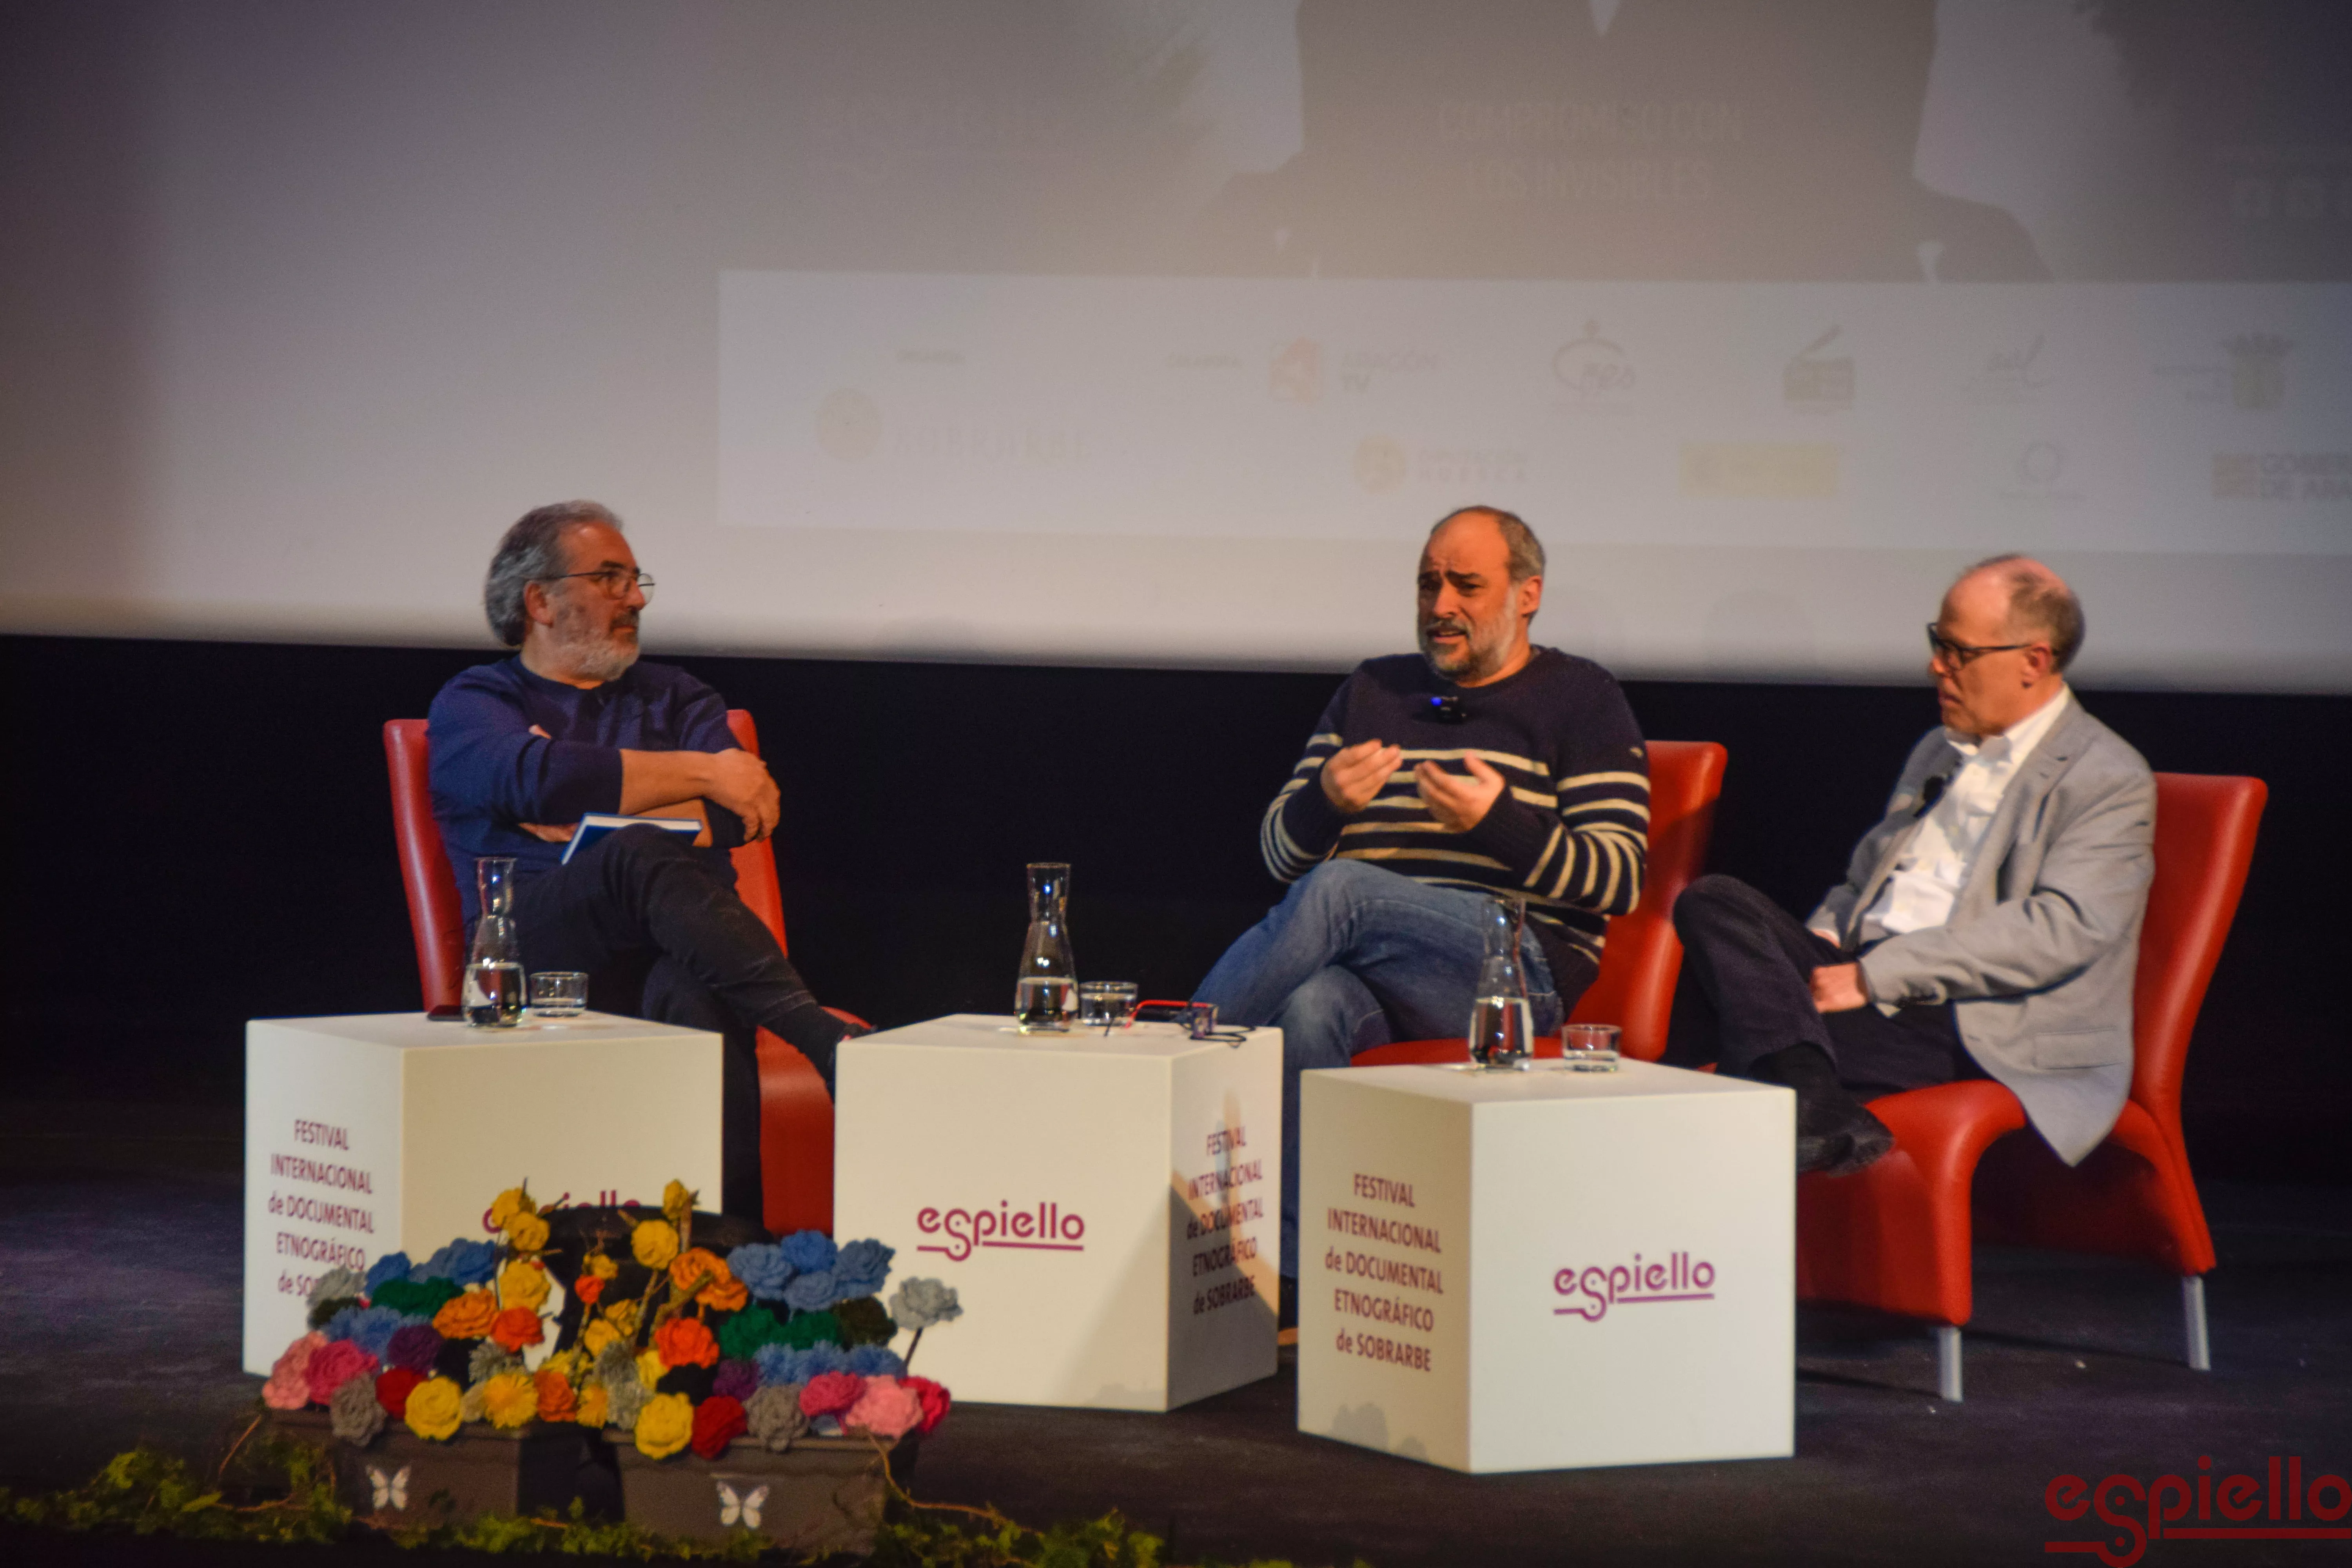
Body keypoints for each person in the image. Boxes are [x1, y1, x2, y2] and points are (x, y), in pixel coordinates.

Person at [1193, 506, 1650, 1287]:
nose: (1441, 606)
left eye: (1466, 585)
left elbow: (1619, 876)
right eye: (1429, 583)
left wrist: (1496, 823)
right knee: (1311, 1007)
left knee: (1340, 889)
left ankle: (1174, 1062)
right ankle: (1302, 1286)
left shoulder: (1580, 696)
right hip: (1383, 976)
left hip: (1512, 973)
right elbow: (1276, 852)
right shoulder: (1373, 689)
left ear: (1528, 592)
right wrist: (1323, 803)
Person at [427, 500, 856, 1216]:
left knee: (697, 995)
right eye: (609, 579)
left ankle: (722, 1248)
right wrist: (700, 772)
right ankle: (824, 1039)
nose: (636, 599)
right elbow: (533, 779)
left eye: (636, 580)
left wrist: (597, 802)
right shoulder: (477, 700)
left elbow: (741, 811)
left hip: (671, 950)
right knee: (633, 850)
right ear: (540, 600)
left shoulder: (677, 696)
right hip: (532, 945)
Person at [1666, 556, 2154, 1175]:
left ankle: (1772, 1101)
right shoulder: (1937, 749)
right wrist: (1819, 942)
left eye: (1959, 652)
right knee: (1713, 901)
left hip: (1972, 1021)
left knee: (1725, 1035)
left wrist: (1878, 977)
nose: (1937, 667)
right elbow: (1859, 886)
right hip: (1864, 987)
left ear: (2035, 660)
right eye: (1937, 643)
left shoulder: (2105, 775)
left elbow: (2059, 930)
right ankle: (1810, 1095)